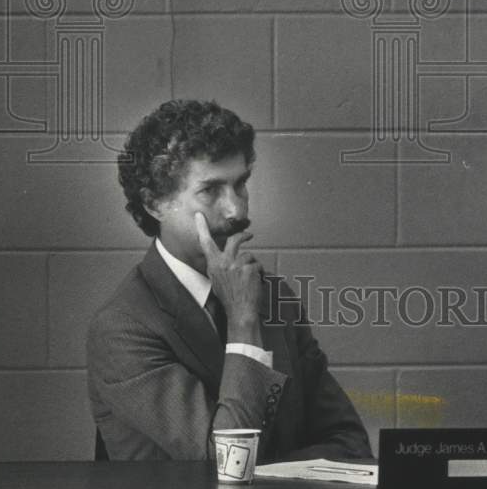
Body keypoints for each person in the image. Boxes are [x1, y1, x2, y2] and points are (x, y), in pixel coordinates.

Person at [87, 98, 373, 462]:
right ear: (155, 203)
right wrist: (242, 322)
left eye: (241, 185)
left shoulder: (272, 296)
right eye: (210, 191)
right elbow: (230, 462)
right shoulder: (122, 328)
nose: (236, 210)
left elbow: (348, 441)